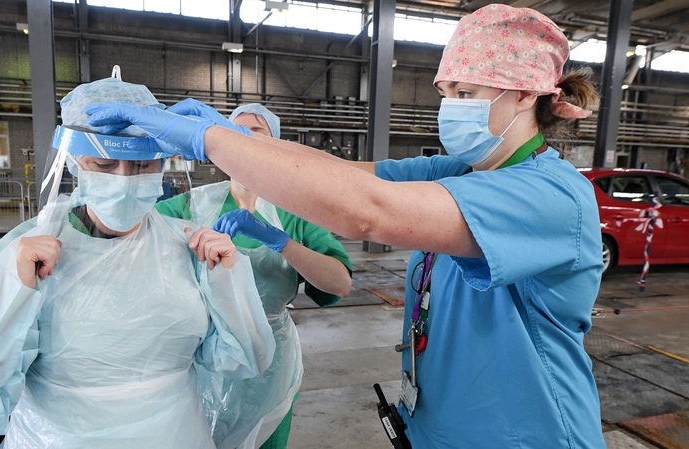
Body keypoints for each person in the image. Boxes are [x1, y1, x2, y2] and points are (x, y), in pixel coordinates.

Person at [85, 4, 605, 447]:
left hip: (523, 433)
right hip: (439, 424)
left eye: (465, 93)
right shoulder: (458, 171)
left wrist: (209, 142)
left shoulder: (551, 196)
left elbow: (367, 211)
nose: (450, 107)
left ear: (523, 94)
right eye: (446, 92)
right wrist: (233, 135)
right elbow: (344, 174)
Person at [0, 75, 275, 449]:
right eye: (105, 164)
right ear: (76, 163)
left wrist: (227, 279)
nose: (124, 179)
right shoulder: (29, 252)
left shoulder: (189, 246)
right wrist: (9, 290)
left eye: (142, 165)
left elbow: (249, 361)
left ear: (162, 164)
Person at [155, 103, 352, 449]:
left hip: (270, 368)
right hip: (206, 358)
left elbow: (339, 283)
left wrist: (281, 241)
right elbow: (132, 232)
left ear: (275, 146)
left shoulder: (296, 213)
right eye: (233, 132)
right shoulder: (191, 205)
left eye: (255, 133)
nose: (243, 139)